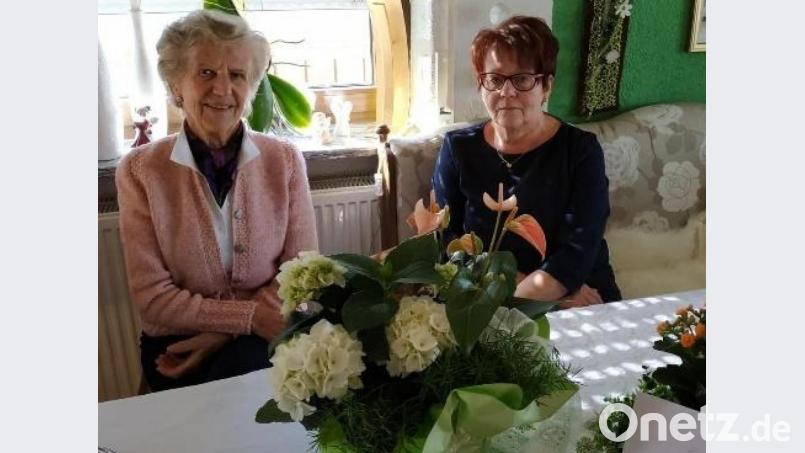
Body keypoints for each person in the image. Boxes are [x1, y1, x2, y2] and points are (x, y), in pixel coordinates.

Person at [116, 10, 318, 391]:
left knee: (245, 373)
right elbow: (153, 299)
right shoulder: (140, 171)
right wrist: (248, 318)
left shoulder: (285, 160)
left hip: (265, 332)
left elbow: (302, 273)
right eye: (206, 73)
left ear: (252, 86)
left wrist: (226, 332)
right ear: (176, 87)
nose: (223, 89)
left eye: (237, 75)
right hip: (176, 341)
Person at [432, 15, 621, 309]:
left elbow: (580, 247)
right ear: (481, 86)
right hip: (494, 295)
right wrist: (539, 295)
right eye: (494, 79)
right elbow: (446, 243)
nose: (506, 92)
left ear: (546, 86)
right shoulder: (458, 149)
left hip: (581, 294)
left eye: (522, 79)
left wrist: (549, 289)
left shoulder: (580, 151)